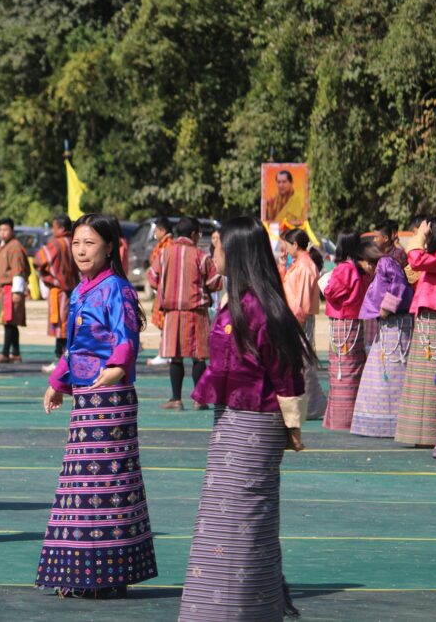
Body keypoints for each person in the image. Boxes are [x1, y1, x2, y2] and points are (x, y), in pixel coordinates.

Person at [178, 216, 311, 621]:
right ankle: (227, 607)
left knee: (245, 517)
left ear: (236, 252)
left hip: (256, 422)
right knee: (223, 516)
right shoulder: (234, 300)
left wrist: (292, 427)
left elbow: (286, 372)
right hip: (229, 419)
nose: (212, 253)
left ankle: (242, 609)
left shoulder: (259, 308)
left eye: (217, 246)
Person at [37, 214, 157, 598]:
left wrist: (117, 368)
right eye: (76, 243)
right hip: (86, 396)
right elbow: (74, 347)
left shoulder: (117, 289)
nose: (81, 250)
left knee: (108, 487)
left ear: (110, 248)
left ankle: (109, 577)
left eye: (89, 243)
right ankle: (82, 573)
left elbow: (126, 336)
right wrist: (58, 383)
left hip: (112, 398)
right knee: (80, 486)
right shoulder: (79, 291)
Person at [396, 217, 436, 447]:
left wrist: (420, 236)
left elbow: (415, 259)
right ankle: (419, 435)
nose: (426, 236)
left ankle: (434, 435)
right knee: (420, 379)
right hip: (426, 321)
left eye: (428, 233)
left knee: (435, 377)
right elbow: (414, 267)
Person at [148, 217, 222, 410]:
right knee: (199, 356)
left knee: (175, 356)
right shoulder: (200, 256)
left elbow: (152, 278)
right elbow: (215, 283)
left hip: (172, 313)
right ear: (194, 234)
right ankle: (199, 399)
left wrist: (166, 289)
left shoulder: (164, 253)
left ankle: (176, 399)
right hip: (196, 313)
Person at [351, 241, 414, 438]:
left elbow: (398, 284)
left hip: (396, 323)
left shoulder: (385, 263)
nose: (364, 270)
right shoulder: (386, 264)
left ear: (365, 259)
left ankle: (393, 422)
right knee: (384, 370)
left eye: (361, 264)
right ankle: (388, 422)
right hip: (390, 324)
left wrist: (387, 307)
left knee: (391, 369)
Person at [322, 231, 371, 430]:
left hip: (342, 325)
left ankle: (342, 419)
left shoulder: (345, 269)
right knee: (353, 369)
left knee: (341, 372)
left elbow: (330, 291)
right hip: (355, 324)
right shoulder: (361, 269)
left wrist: (326, 283)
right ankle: (353, 416)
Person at [281, 229, 327, 420]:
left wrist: (294, 323)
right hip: (293, 319)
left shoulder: (306, 266)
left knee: (302, 363)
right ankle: (309, 404)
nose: (285, 249)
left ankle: (312, 405)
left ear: (295, 245)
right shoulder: (299, 264)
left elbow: (303, 302)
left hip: (299, 321)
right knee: (299, 362)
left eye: (287, 245)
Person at [33, 214, 79, 374]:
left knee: (62, 325)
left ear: (61, 228)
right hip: (75, 289)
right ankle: (65, 358)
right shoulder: (74, 242)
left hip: (60, 290)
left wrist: (48, 276)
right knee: (68, 323)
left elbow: (39, 259)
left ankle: (61, 360)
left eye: (54, 227)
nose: (52, 231)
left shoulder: (56, 243)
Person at [0, 217, 28, 364]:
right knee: (10, 323)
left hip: (11, 290)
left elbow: (18, 270)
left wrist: (17, 291)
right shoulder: (3, 246)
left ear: (12, 230)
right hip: (4, 290)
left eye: (6, 229)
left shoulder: (15, 247)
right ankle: (15, 353)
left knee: (9, 322)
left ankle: (5, 353)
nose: (2, 232)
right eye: (0, 230)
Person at [146, 217, 174, 366]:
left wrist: (155, 282)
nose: (155, 233)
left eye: (156, 230)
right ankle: (166, 354)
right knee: (165, 323)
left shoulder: (167, 245)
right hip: (163, 287)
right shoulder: (164, 244)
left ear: (163, 230)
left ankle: (166, 354)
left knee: (166, 323)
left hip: (166, 288)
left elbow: (159, 268)